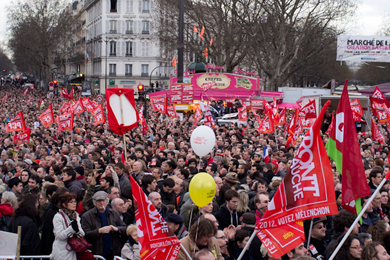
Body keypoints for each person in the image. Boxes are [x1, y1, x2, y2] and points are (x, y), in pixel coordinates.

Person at [81, 191, 127, 260]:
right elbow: (85, 235)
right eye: (99, 201)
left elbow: (125, 228)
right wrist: (99, 231)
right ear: (94, 202)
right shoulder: (87, 216)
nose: (101, 203)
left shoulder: (114, 213)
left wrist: (116, 229)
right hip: (97, 251)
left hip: (113, 250)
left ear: (107, 201)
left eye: (103, 200)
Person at [51, 192, 92, 260]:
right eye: (71, 202)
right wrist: (71, 229)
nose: (74, 203)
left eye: (75, 201)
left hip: (74, 251)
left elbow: (82, 233)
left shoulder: (76, 215)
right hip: (62, 252)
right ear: (64, 204)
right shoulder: (58, 216)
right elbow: (59, 235)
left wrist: (77, 230)